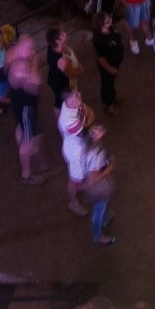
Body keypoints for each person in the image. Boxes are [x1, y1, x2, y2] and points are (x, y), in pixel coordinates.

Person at [7, 30, 47, 184]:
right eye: (29, 48)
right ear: (20, 47)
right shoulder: (20, 70)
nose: (32, 51)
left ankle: (25, 144)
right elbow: (35, 87)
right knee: (28, 140)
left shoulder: (12, 56)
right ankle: (27, 174)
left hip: (20, 106)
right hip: (26, 108)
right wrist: (34, 66)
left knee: (21, 128)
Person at [80, 123, 117, 246]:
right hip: (98, 188)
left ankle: (105, 218)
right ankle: (98, 236)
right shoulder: (95, 154)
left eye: (98, 128)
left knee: (102, 206)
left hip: (96, 186)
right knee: (98, 210)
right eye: (95, 131)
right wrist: (109, 168)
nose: (100, 129)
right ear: (93, 137)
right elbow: (94, 179)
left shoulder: (90, 147)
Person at [58, 87, 93, 216]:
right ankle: (73, 202)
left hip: (80, 148)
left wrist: (87, 115)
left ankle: (80, 187)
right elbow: (86, 132)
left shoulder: (71, 104)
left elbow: (89, 111)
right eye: (76, 96)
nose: (80, 95)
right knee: (74, 180)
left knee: (80, 177)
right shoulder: (68, 121)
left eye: (78, 93)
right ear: (69, 99)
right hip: (75, 154)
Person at [92, 11, 125, 113]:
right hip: (108, 66)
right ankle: (108, 105)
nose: (110, 20)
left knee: (111, 83)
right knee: (107, 85)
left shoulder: (111, 28)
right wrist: (110, 69)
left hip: (115, 63)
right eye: (106, 21)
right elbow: (101, 58)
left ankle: (113, 98)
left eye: (108, 18)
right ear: (101, 25)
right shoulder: (99, 39)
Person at [46, 28, 82, 107]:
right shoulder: (61, 60)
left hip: (55, 77)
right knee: (62, 103)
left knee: (60, 99)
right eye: (62, 34)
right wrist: (80, 70)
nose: (65, 33)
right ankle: (61, 116)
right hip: (62, 84)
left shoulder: (52, 46)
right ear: (57, 41)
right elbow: (72, 75)